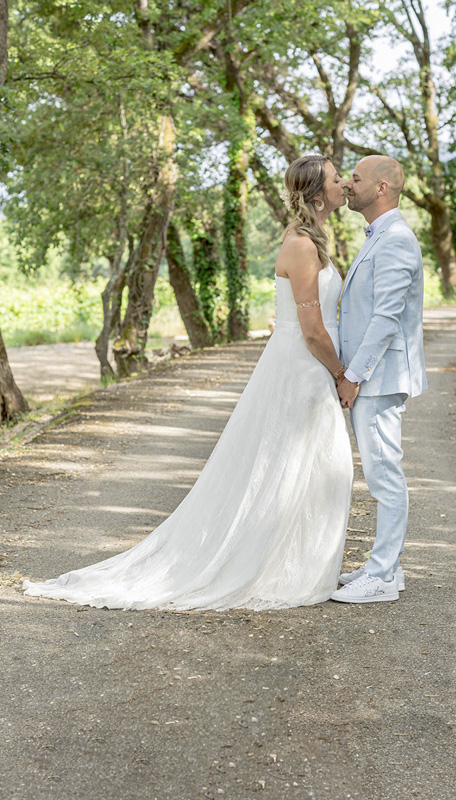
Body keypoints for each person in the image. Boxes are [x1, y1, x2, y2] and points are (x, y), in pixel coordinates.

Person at [23, 155, 354, 612]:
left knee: (308, 466)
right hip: (303, 370)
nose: (345, 184)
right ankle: (274, 566)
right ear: (317, 195)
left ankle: (299, 560)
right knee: (292, 464)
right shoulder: (300, 246)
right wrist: (342, 375)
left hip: (303, 365)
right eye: (338, 179)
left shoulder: (312, 241)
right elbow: (313, 331)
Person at [330, 155, 427, 604]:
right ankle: (385, 565)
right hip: (373, 377)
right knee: (379, 472)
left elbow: (387, 319)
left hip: (380, 378)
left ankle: (384, 575)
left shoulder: (397, 240)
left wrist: (352, 376)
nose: (347, 185)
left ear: (382, 188)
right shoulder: (380, 236)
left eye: (355, 178)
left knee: (384, 472)